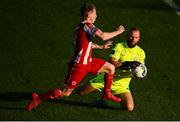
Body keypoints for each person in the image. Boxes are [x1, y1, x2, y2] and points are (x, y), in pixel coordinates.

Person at [26, 3, 125, 111]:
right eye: (95, 14)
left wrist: (101, 47)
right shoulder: (87, 26)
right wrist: (118, 31)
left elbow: (87, 45)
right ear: (89, 15)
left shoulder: (80, 27)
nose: (96, 16)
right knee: (66, 93)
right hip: (80, 65)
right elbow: (103, 36)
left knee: (111, 68)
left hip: (89, 61)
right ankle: (39, 98)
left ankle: (107, 93)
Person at [77, 27, 145, 111]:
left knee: (129, 107)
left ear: (139, 39)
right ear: (127, 36)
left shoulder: (141, 52)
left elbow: (141, 68)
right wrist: (128, 64)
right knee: (80, 92)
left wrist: (140, 73)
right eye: (131, 36)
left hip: (122, 85)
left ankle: (103, 101)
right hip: (106, 79)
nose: (133, 39)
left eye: (136, 37)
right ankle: (78, 85)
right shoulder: (119, 46)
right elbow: (112, 63)